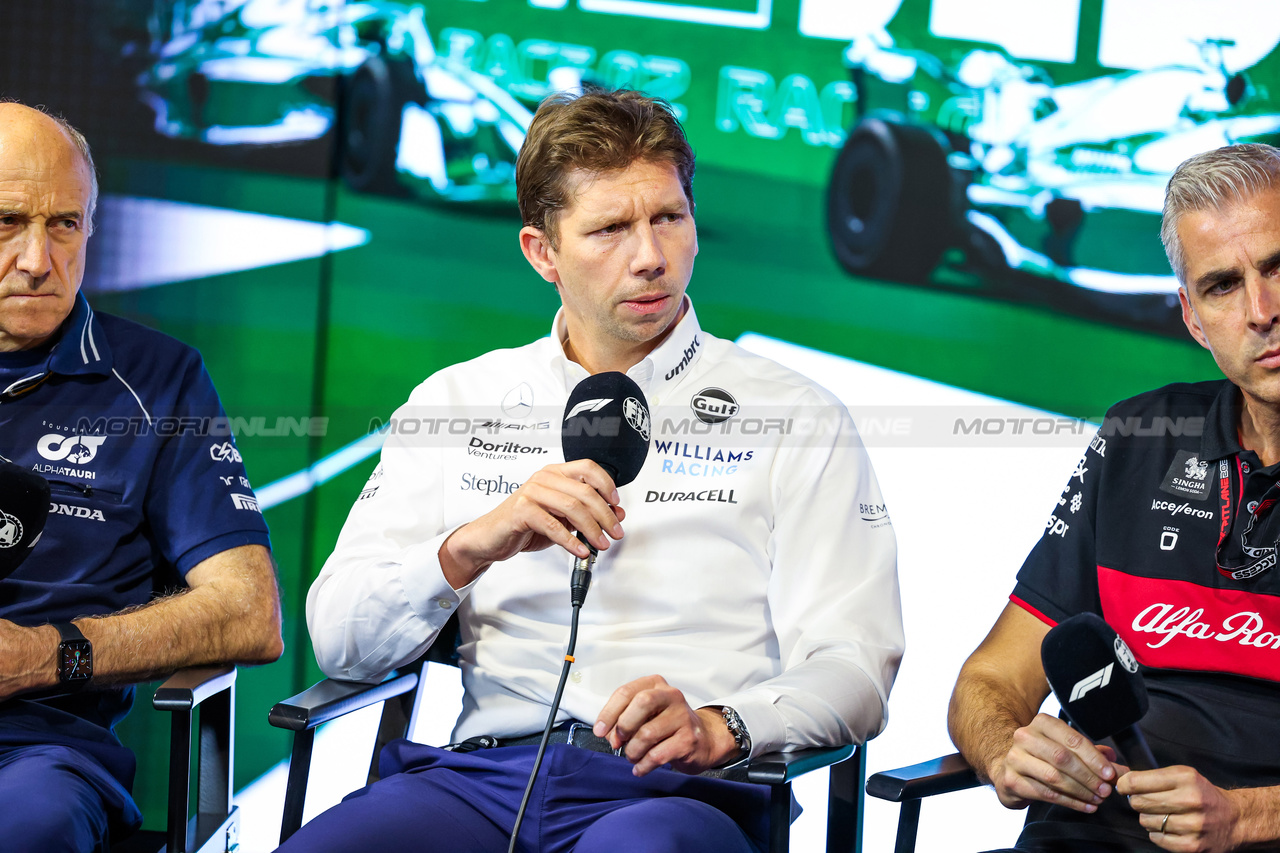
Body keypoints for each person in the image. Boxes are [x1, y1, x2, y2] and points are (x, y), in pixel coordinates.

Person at [287, 89, 903, 852]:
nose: (649, 255)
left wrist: (724, 726)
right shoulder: (457, 399)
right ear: (541, 253)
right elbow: (340, 642)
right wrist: (468, 547)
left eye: (669, 218)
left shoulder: (799, 415)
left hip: (681, 792)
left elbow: (857, 662)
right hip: (479, 782)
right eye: (610, 228)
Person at [948, 142, 1280, 853]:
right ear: (1193, 319)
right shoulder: (1138, 435)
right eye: (1223, 285)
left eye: (1279, 268)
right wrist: (1007, 749)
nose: (1261, 310)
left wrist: (1248, 816)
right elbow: (991, 677)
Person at [0, 103, 283, 851]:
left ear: (92, 228)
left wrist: (48, 651)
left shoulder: (158, 380)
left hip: (35, 751)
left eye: (64, 224)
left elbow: (249, 612)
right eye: (6, 222)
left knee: (28, 824)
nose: (37, 260)